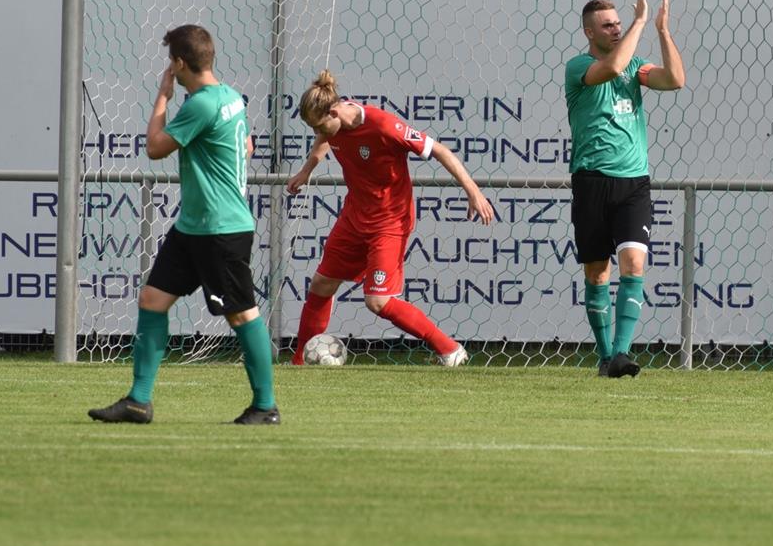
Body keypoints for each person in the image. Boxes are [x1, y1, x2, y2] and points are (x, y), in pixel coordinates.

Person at [89, 25, 279, 425]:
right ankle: (139, 402)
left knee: (243, 315)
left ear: (178, 63)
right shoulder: (230, 97)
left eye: (169, 62)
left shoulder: (202, 105)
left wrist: (162, 94)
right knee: (152, 301)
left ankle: (265, 406)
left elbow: (155, 148)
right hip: (193, 227)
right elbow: (246, 146)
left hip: (220, 229)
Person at [286, 71, 494, 366]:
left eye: (320, 125)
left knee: (378, 301)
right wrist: (307, 170)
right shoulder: (330, 126)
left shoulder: (383, 126)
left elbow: (440, 151)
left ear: (334, 111)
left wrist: (474, 192)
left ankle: (450, 350)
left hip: (390, 221)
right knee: (321, 283)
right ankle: (300, 362)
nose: (319, 133)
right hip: (354, 215)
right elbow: (323, 138)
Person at [565, 0, 686, 378]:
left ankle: (620, 353)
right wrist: (639, 21)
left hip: (634, 183)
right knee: (598, 274)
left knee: (634, 264)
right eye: (608, 25)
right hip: (591, 181)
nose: (616, 29)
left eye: (619, 23)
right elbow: (613, 67)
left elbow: (675, 80)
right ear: (589, 33)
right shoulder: (579, 68)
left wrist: (663, 32)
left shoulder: (637, 68)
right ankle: (605, 356)